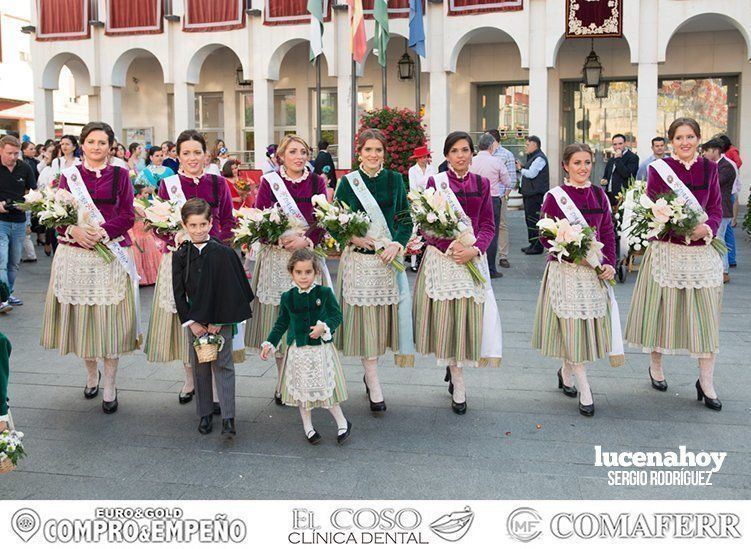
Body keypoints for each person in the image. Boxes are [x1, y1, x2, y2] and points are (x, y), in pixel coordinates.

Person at [625, 118, 724, 411]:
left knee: (707, 319)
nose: (685, 142)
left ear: (699, 139)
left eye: (690, 136)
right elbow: (653, 210)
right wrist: (677, 228)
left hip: (701, 253)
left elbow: (716, 207)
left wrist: (706, 229)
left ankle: (706, 381)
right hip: (668, 251)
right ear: (671, 142)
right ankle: (656, 366)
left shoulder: (711, 168)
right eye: (679, 137)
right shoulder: (660, 170)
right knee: (661, 312)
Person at [40, 121, 139, 414]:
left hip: (110, 254)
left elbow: (128, 214)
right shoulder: (68, 177)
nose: (97, 147)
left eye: (102, 142)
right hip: (76, 256)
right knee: (84, 319)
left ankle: (110, 384)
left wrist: (103, 232)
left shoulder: (121, 175)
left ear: (110, 147)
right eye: (92, 141)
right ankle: (90, 374)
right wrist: (74, 230)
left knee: (109, 321)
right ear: (82, 144)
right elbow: (54, 215)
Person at [145, 130, 235, 407]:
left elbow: (229, 222)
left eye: (197, 152)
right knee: (186, 321)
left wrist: (215, 244)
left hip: (213, 260)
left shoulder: (218, 183)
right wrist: (177, 238)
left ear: (206, 155)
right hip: (180, 261)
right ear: (178, 156)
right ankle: (190, 378)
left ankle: (216, 386)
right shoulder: (167, 184)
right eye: (186, 153)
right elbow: (158, 225)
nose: (192, 158)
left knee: (214, 318)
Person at [414, 131, 502, 415]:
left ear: (472, 153)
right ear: (447, 155)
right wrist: (451, 246)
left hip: (472, 258)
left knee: (466, 320)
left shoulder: (482, 183)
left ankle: (457, 373)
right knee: (448, 321)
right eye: (454, 151)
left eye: (465, 150)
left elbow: (489, 223)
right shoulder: (435, 183)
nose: (460, 155)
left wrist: (476, 250)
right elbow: (426, 227)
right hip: (444, 259)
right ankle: (457, 379)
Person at [532, 143, 620, 417]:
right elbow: (546, 237)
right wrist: (574, 256)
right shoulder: (555, 197)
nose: (583, 168)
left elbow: (607, 232)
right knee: (571, 326)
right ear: (566, 166)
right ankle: (585, 389)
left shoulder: (599, 194)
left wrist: (610, 264)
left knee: (583, 327)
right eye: (577, 162)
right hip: (567, 272)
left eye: (587, 163)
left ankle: (565, 371)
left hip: (593, 274)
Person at [244, 135, 330, 405]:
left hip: (307, 259)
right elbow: (260, 219)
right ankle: (283, 381)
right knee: (281, 319)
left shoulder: (317, 181)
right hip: (277, 260)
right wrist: (280, 239)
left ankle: (307, 379)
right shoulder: (270, 183)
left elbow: (324, 219)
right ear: (281, 156)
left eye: (303, 152)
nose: (299, 156)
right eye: (293, 152)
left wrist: (306, 240)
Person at [334, 128, 414, 413]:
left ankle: (371, 375)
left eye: (378, 150)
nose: (373, 155)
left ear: (384, 153)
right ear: (360, 153)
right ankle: (373, 379)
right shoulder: (348, 183)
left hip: (386, 263)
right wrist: (352, 238)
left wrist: (398, 243)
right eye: (368, 150)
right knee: (364, 324)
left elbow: (405, 218)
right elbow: (334, 220)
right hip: (359, 262)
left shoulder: (395, 180)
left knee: (380, 324)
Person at [172, 198, 252, 438]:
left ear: (210, 223)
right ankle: (205, 413)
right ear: (185, 225)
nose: (198, 230)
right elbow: (178, 292)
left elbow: (232, 289)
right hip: (195, 322)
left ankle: (229, 417)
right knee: (200, 368)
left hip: (220, 320)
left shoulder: (223, 253)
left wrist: (219, 321)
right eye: (193, 225)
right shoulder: (181, 255)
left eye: (203, 224)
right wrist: (191, 322)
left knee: (224, 365)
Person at [260, 249, 351, 445]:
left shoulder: (324, 293)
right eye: (299, 272)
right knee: (302, 390)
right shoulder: (288, 297)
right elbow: (281, 323)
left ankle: (342, 422)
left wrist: (323, 327)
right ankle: (308, 427)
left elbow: (336, 316)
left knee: (326, 388)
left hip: (320, 350)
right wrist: (270, 343)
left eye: (308, 272)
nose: (303, 276)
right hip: (298, 351)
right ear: (292, 273)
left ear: (315, 272)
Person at [0, 135, 37, 313]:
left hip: (19, 221)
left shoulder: (25, 167)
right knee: (2, 260)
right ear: (0, 150)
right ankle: (2, 298)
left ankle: (8, 293)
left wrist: (29, 203)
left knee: (14, 262)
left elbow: (33, 191)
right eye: (9, 153)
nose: (13, 157)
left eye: (16, 153)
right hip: (1, 221)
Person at [130, 147, 174, 286]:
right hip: (148, 204)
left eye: (162, 155)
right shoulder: (145, 172)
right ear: (151, 157)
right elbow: (138, 188)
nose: (160, 158)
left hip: (167, 203)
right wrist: (150, 191)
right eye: (157, 155)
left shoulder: (169, 171)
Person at [470, 133, 510, 279]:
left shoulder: (471, 161)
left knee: (474, 231)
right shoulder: (497, 162)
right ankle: (491, 268)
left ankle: (474, 263)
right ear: (492, 146)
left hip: (473, 198)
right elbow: (507, 181)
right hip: (492, 199)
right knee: (491, 233)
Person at [702, 139, 735, 283]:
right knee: (715, 239)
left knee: (719, 240)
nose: (704, 154)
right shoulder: (714, 165)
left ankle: (724, 271)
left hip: (723, 210)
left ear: (715, 151)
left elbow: (712, 183)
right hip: (713, 210)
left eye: (706, 151)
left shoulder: (726, 167)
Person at [488, 129, 517, 269]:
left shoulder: (507, 155)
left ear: (494, 140)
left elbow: (512, 177)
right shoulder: (483, 154)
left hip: (499, 195)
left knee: (502, 225)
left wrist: (506, 194)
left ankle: (503, 255)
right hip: (484, 195)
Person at [516, 135, 549, 255]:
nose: (526, 147)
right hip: (530, 193)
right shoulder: (534, 157)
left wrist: (520, 169)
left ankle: (537, 246)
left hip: (535, 195)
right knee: (529, 220)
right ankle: (532, 244)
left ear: (534, 145)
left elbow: (532, 174)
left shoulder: (539, 158)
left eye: (527, 144)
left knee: (534, 220)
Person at [716, 135, 740, 268]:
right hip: (729, 195)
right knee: (726, 231)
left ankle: (729, 261)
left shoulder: (730, 158)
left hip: (727, 196)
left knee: (725, 232)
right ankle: (729, 260)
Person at [601, 134, 639, 206]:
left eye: (620, 144)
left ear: (625, 144)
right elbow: (606, 176)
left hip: (624, 196)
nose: (617, 147)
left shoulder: (633, 157)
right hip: (609, 195)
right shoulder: (612, 159)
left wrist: (618, 159)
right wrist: (604, 180)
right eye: (615, 144)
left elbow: (627, 174)